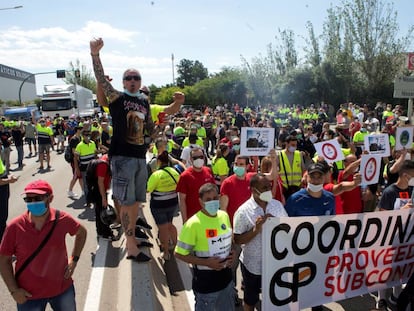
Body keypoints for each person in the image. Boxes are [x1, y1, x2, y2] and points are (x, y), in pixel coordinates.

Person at [91, 38, 155, 262]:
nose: (133, 81)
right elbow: (100, 79)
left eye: (136, 77)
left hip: (139, 158)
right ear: (123, 82)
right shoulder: (117, 98)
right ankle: (131, 246)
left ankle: (132, 239)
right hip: (122, 159)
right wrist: (95, 54)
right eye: (128, 78)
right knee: (127, 204)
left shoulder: (144, 102)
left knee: (136, 202)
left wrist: (155, 137)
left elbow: (149, 127)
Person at [0, 179, 87, 310]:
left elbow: (82, 233)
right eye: (28, 199)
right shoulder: (15, 227)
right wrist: (14, 291)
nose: (33, 202)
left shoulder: (62, 219)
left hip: (62, 290)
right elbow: (3, 260)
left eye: (38, 198)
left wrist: (74, 260)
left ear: (50, 199)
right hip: (29, 296)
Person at [175, 183, 235, 311]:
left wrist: (231, 253)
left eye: (215, 198)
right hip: (206, 287)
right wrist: (206, 263)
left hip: (227, 282)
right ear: (200, 202)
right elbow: (179, 254)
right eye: (208, 200)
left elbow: (228, 241)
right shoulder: (193, 224)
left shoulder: (224, 216)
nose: (212, 202)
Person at [285, 162, 335, 311]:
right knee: (298, 284)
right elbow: (285, 226)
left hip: (319, 251)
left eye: (319, 177)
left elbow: (332, 224)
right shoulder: (294, 199)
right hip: (298, 252)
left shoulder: (330, 198)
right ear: (307, 177)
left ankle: (316, 305)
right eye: (313, 177)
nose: (316, 180)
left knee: (317, 282)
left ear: (324, 178)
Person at [233, 173, 287, 310]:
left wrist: (277, 224)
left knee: (275, 297)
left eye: (269, 187)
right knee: (251, 299)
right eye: (263, 188)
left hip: (276, 263)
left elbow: (288, 228)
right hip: (253, 266)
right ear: (253, 189)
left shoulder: (277, 205)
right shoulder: (243, 212)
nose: (268, 191)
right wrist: (256, 230)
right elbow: (237, 239)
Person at [375, 160, 414, 309]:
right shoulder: (389, 192)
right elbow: (381, 217)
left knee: (401, 269)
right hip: (391, 238)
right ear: (405, 176)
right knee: (386, 270)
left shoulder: (412, 191)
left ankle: (396, 296)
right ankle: (382, 298)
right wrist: (400, 212)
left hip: (407, 238)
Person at [147, 151, 180, 260]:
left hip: (159, 205)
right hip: (173, 203)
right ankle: (177, 248)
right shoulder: (175, 172)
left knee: (163, 229)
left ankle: (166, 252)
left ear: (159, 161)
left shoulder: (156, 174)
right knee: (170, 225)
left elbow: (148, 189)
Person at [176, 147, 216, 224]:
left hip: (210, 215)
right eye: (195, 157)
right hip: (193, 219)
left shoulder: (208, 171)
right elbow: (182, 200)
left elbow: (214, 193)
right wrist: (185, 221)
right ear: (190, 159)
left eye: (201, 157)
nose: (199, 159)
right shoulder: (185, 176)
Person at [0, 157, 18, 242]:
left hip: (3, 189)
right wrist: (9, 180)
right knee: (1, 221)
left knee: (3, 219)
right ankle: (4, 248)